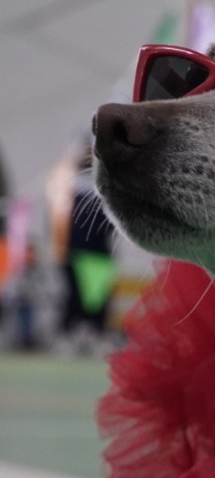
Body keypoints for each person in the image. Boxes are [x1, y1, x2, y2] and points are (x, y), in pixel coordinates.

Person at [57, 145, 118, 352]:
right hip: (75, 252)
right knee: (74, 294)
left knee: (97, 296)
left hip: (97, 253)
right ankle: (70, 333)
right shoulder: (67, 192)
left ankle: (97, 331)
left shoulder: (102, 192)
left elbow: (111, 223)